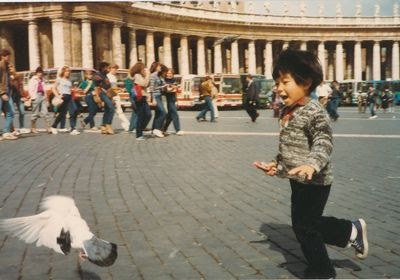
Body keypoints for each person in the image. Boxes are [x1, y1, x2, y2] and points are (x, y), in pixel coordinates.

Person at [253, 49, 368, 279]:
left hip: (316, 180)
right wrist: (276, 165)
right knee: (305, 225)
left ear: (305, 82)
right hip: (298, 179)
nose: (279, 87)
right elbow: (288, 148)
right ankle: (351, 231)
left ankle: (323, 270)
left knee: (305, 227)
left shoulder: (315, 111)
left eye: (285, 81)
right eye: (277, 82)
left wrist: (312, 165)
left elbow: (323, 142)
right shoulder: (288, 110)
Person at [51, 66, 80, 135]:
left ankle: (73, 128)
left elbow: (70, 90)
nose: (68, 72)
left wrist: (74, 92)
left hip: (69, 97)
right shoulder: (59, 79)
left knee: (74, 110)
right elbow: (53, 88)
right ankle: (53, 126)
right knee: (62, 114)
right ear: (63, 72)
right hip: (63, 97)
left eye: (69, 71)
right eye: (66, 71)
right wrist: (58, 95)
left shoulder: (69, 80)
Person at [130, 62, 151, 140]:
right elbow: (144, 84)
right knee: (141, 115)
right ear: (140, 69)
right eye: (143, 68)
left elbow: (147, 84)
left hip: (143, 96)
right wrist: (148, 75)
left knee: (148, 114)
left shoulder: (142, 76)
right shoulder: (137, 75)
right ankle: (139, 134)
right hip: (139, 97)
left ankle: (140, 129)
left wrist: (147, 76)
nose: (145, 70)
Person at [0, 49, 17, 140]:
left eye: (9, 56)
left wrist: (12, 72)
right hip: (1, 93)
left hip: (6, 93)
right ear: (2, 56)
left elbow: (13, 78)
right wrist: (2, 93)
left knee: (11, 112)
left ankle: (6, 132)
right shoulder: (0, 66)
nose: (9, 57)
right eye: (7, 56)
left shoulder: (7, 66)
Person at [107, 64, 130, 131]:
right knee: (117, 111)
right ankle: (126, 124)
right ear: (110, 69)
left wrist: (120, 89)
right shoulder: (109, 76)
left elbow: (114, 87)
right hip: (112, 95)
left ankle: (126, 124)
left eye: (116, 69)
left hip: (115, 95)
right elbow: (112, 88)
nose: (115, 71)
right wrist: (120, 89)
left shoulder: (114, 76)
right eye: (114, 69)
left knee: (118, 111)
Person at [29, 66, 51, 134]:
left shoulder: (43, 80)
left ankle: (48, 127)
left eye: (41, 73)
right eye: (39, 72)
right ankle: (33, 127)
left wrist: (46, 98)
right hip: (36, 96)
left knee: (45, 112)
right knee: (35, 112)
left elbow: (45, 89)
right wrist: (33, 97)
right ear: (36, 73)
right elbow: (30, 89)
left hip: (42, 95)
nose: (40, 74)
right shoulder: (33, 79)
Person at [94, 62, 115, 134]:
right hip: (102, 93)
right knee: (111, 108)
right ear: (103, 68)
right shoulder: (98, 75)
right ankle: (108, 125)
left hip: (108, 94)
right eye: (108, 68)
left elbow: (108, 87)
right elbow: (96, 87)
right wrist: (98, 97)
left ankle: (103, 126)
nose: (109, 69)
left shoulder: (106, 75)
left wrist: (111, 98)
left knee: (107, 110)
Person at [9, 64, 29, 134]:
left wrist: (23, 95)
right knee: (12, 112)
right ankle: (11, 129)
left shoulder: (18, 76)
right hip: (10, 96)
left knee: (22, 111)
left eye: (11, 67)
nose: (10, 68)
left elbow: (21, 86)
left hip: (18, 95)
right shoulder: (6, 76)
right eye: (9, 67)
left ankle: (22, 127)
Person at [149, 62, 168, 138]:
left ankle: (154, 130)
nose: (160, 67)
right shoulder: (153, 75)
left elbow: (161, 85)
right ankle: (157, 129)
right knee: (163, 112)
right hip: (155, 96)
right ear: (156, 67)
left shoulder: (159, 76)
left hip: (159, 95)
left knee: (158, 114)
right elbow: (152, 88)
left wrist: (165, 86)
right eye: (159, 66)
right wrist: (153, 99)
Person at [163, 68, 183, 135]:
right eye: (168, 73)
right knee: (174, 113)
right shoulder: (164, 80)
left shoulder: (174, 80)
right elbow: (167, 90)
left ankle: (163, 129)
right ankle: (178, 130)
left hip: (172, 99)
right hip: (166, 99)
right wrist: (172, 88)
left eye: (170, 73)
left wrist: (177, 100)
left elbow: (176, 90)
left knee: (170, 116)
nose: (169, 75)